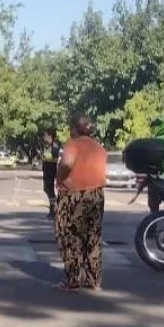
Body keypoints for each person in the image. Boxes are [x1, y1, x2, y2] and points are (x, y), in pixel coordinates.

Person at [54, 114, 107, 291]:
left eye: (71, 127)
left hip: (74, 195)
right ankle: (94, 280)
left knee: (69, 235)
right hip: (96, 194)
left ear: (75, 129)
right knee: (92, 236)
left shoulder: (73, 144)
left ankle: (74, 279)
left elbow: (67, 163)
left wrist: (60, 178)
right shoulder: (98, 147)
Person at [39, 127, 62, 219]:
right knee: (46, 189)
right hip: (46, 170)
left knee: (50, 190)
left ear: (50, 136)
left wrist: (44, 157)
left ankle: (54, 210)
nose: (44, 137)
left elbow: (55, 157)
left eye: (45, 135)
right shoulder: (46, 145)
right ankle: (53, 209)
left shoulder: (55, 145)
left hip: (51, 170)